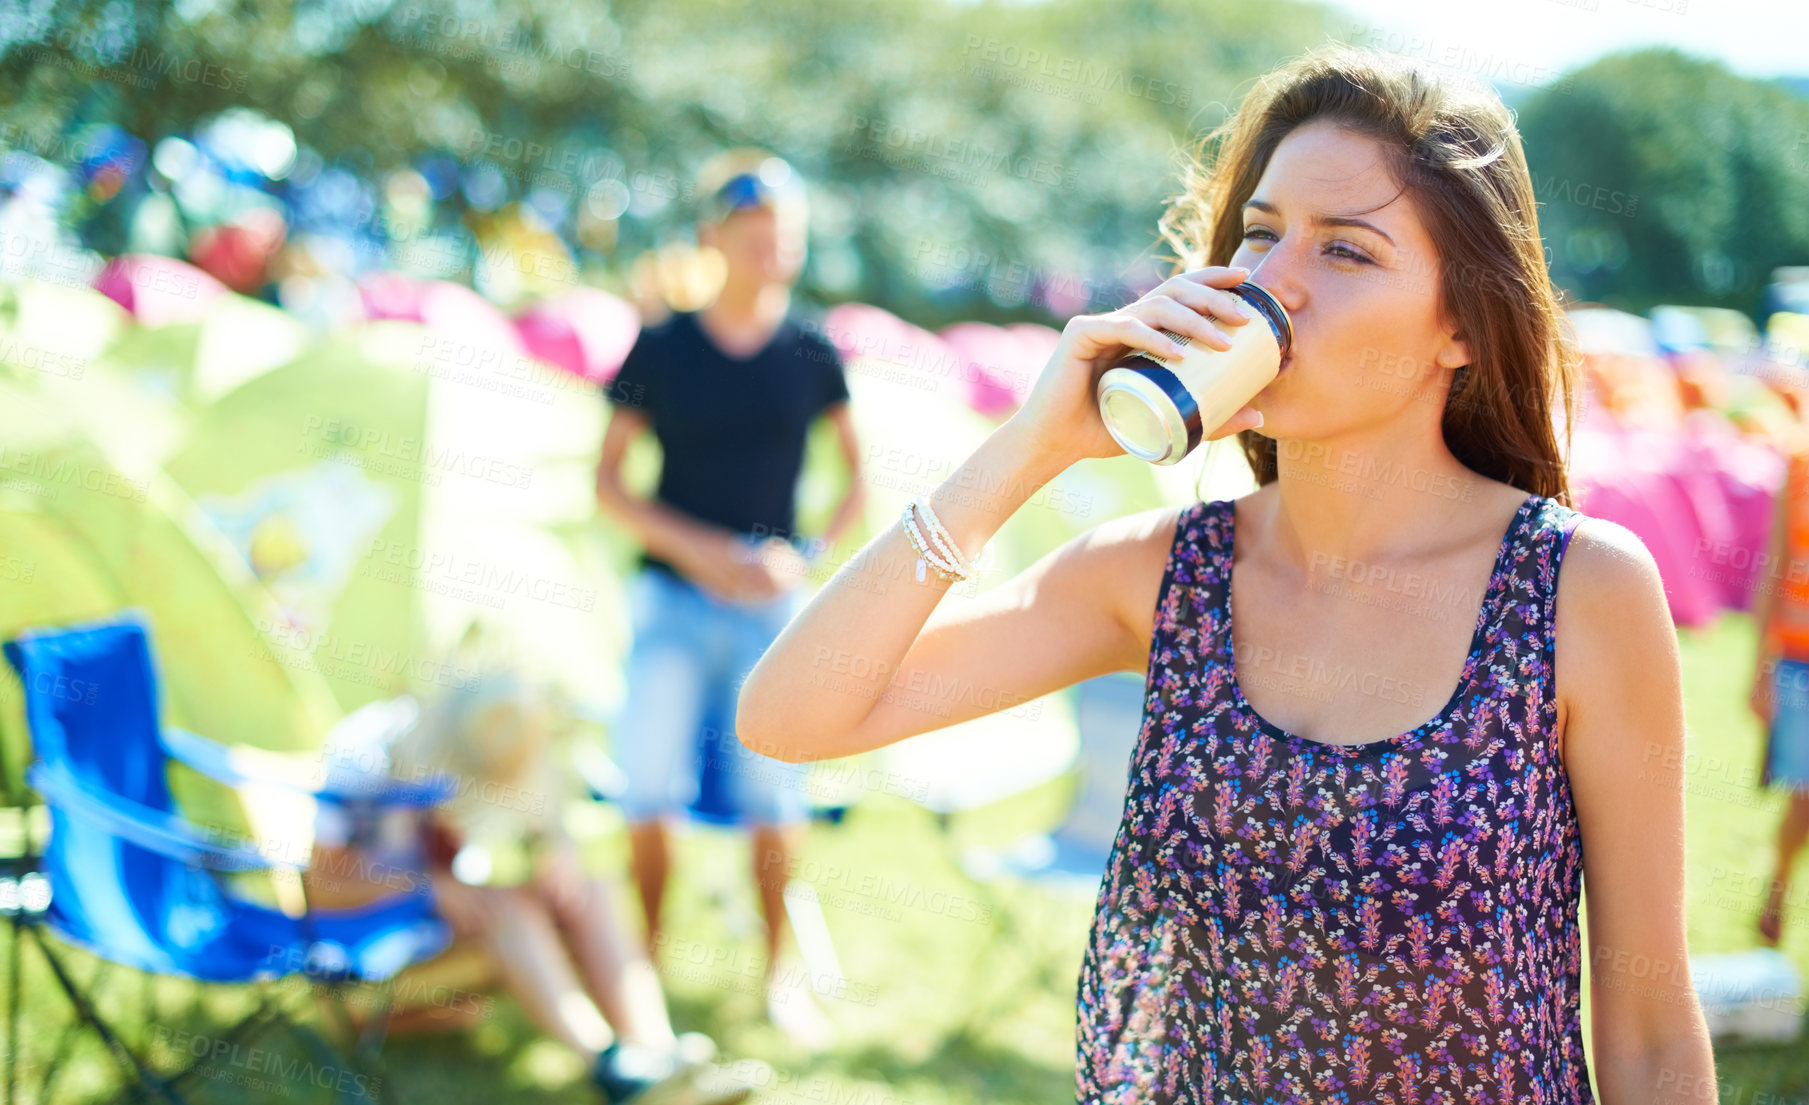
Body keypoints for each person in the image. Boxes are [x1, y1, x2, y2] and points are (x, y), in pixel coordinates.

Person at [737, 45, 1715, 1103]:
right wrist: (1027, 448)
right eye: (1259, 233)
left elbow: (1653, 1033)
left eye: (1346, 251)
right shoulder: (1165, 576)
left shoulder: (1576, 592)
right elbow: (793, 716)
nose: (1271, 283)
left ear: (1464, 327)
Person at [594, 148, 865, 1046]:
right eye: (752, 235)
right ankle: (639, 971)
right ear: (713, 238)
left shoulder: (811, 348)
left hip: (767, 612)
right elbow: (609, 486)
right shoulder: (663, 345)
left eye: (783, 237)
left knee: (774, 796)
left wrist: (806, 557)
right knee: (646, 790)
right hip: (672, 603)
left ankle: (776, 973)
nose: (770, 251)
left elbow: (857, 483)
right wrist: (702, 550)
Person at [304, 668, 761, 1105]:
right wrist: (425, 886)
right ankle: (612, 1068)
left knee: (591, 888)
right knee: (508, 911)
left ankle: (657, 1053)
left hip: (446, 915)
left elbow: (538, 818)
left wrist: (555, 847)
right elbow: (319, 888)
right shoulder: (362, 755)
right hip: (371, 937)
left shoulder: (493, 738)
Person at [1747, 430, 1809, 946]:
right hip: (1798, 661)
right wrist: (1759, 668)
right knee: (1803, 797)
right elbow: (1774, 565)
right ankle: (1778, 892)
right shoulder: (1799, 466)